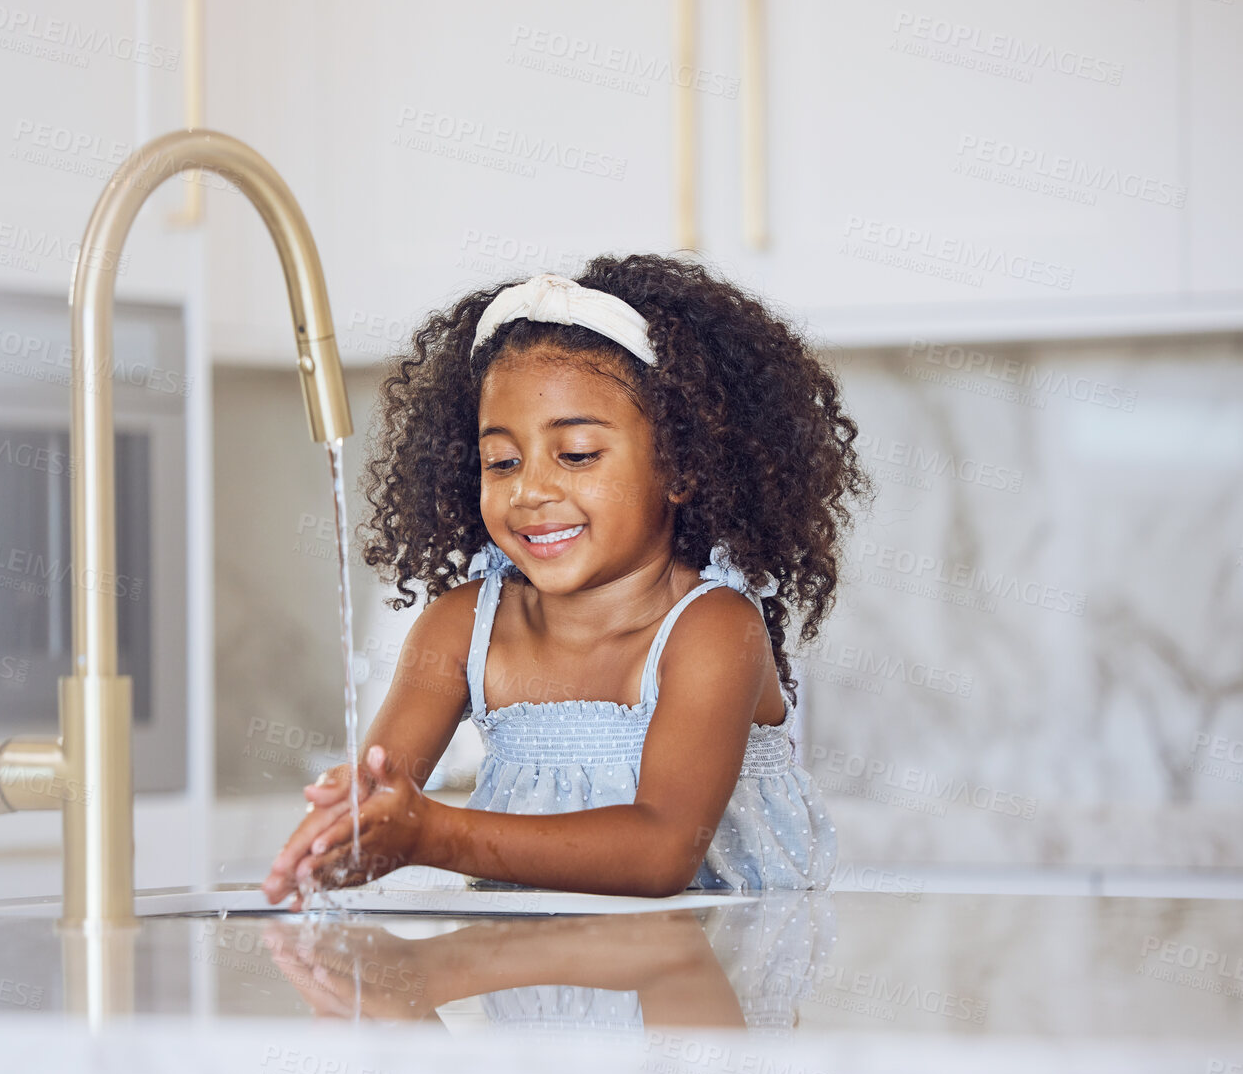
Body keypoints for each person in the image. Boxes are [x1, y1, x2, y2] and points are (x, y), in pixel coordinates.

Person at [260, 254, 871, 908]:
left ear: (681, 467)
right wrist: (341, 832)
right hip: (530, 991)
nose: (528, 490)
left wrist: (429, 834)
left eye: (576, 454)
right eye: (501, 461)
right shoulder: (463, 627)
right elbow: (379, 799)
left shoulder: (713, 630)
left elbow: (660, 849)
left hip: (704, 985)